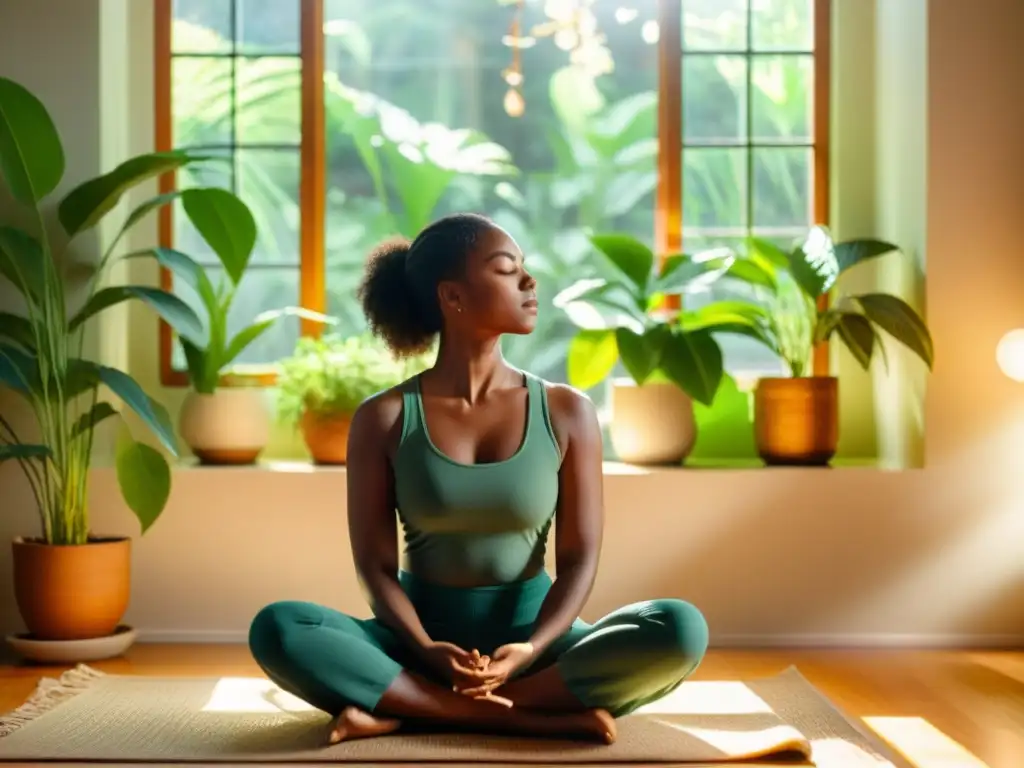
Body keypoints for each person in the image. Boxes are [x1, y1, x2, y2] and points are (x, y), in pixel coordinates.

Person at [248, 213, 709, 746]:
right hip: (415, 647)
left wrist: (531, 650)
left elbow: (579, 561)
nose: (529, 283)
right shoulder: (385, 417)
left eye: (524, 270)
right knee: (279, 629)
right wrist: (424, 649)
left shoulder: (566, 411)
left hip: (537, 652)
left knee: (680, 629)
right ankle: (516, 717)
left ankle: (412, 708)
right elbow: (374, 568)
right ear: (453, 297)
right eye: (507, 270)